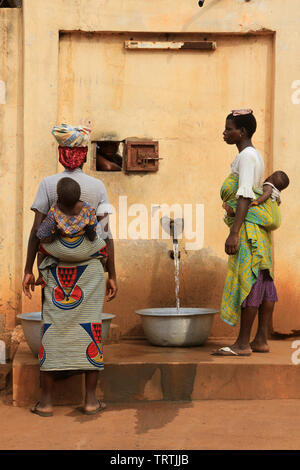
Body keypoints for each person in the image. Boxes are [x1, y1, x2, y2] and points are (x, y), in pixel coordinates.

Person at [23, 124, 117, 416]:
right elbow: (104, 234)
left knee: (52, 330)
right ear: (84, 155)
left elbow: (37, 232)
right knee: (91, 329)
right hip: (89, 274)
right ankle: (90, 400)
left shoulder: (49, 185)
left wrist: (28, 268)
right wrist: (112, 273)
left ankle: (48, 402)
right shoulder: (96, 188)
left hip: (56, 274)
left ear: (62, 153)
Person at [212, 109, 283, 357]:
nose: (225, 132)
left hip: (248, 231)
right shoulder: (250, 156)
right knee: (263, 280)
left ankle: (242, 343)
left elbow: (245, 195)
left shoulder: (247, 157)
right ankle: (260, 339)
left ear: (242, 132)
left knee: (249, 281)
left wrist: (234, 232)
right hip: (256, 232)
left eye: (229, 128)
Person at [36, 177, 108, 283]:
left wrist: (54, 234)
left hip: (60, 246)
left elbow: (41, 234)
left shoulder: (54, 209)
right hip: (83, 246)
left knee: (41, 250)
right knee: (103, 247)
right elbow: (93, 233)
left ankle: (41, 276)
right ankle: (101, 270)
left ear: (59, 197)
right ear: (79, 195)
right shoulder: (88, 209)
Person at [224, 170, 289, 216]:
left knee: (243, 206)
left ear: (270, 177)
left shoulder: (268, 186)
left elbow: (267, 193)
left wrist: (257, 201)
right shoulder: (277, 193)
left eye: (270, 176)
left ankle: (231, 211)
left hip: (260, 202)